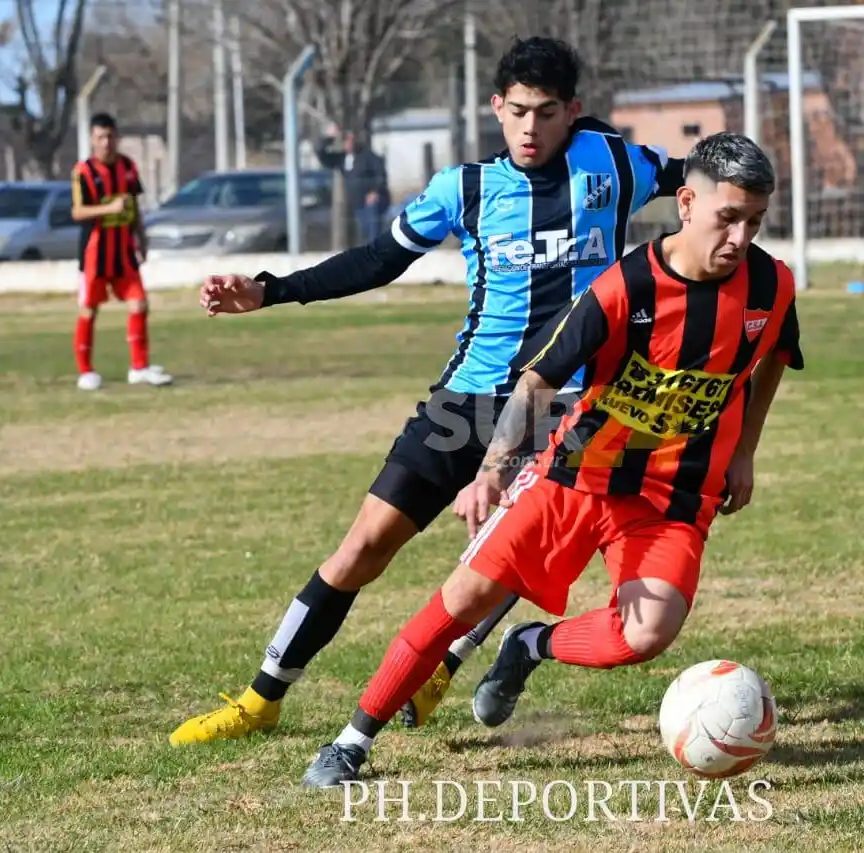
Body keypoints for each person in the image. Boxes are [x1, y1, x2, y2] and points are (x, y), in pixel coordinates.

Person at [169, 36, 685, 747]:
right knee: (362, 547)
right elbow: (380, 259)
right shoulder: (464, 188)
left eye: (546, 113)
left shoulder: (618, 166)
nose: (530, 128)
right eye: (518, 112)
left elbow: (702, 181)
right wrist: (271, 290)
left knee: (503, 559)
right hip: (463, 402)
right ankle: (261, 699)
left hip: (561, 412)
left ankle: (446, 661)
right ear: (496, 107)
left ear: (574, 112)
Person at [298, 130, 802, 788]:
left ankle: (530, 644)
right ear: (686, 203)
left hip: (671, 497)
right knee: (463, 599)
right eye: (727, 218)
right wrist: (490, 471)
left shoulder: (772, 283)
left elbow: (772, 360)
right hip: (576, 476)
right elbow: (537, 380)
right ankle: (351, 740)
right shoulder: (626, 287)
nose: (740, 238)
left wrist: (745, 450)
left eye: (755, 222)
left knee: (645, 635)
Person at [71, 113, 173, 390]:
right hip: (95, 253)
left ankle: (139, 367)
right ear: (92, 140)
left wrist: (141, 238)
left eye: (110, 137)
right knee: (88, 310)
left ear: (117, 138)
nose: (106, 143)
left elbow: (135, 208)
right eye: (100, 138)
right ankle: (86, 371)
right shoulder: (84, 172)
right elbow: (77, 212)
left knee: (139, 303)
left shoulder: (128, 167)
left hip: (124, 251)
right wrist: (108, 209)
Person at [316, 126, 390, 243]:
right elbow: (321, 154)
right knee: (364, 232)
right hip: (357, 203)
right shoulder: (342, 158)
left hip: (371, 203)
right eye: (345, 139)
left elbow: (381, 175)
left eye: (350, 139)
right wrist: (329, 138)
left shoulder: (369, 157)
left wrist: (375, 191)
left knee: (374, 232)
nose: (348, 142)